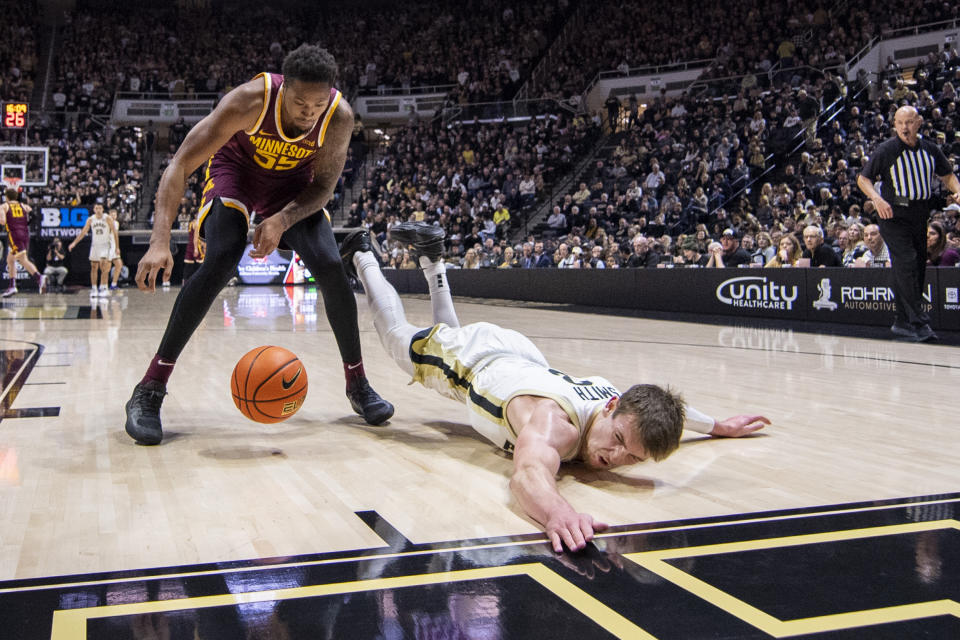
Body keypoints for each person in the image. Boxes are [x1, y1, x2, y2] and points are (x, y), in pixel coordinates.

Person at [343, 222, 769, 552]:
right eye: (618, 440)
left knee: (444, 338)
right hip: (477, 360)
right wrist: (557, 513)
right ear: (611, 407)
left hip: (521, 356)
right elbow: (527, 474)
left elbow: (671, 407)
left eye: (631, 457)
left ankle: (434, 259)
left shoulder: (621, 404)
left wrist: (718, 427)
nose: (613, 457)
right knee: (396, 335)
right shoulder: (555, 424)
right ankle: (362, 252)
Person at [124, 44, 393, 446]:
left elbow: (323, 187)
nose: (308, 112)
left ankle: (358, 383)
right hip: (237, 175)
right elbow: (179, 163)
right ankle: (150, 388)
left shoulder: (339, 117)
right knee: (220, 259)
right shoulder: (250, 100)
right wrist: (159, 240)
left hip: (292, 189)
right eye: (300, 102)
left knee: (330, 266)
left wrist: (283, 219)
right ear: (283, 90)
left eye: (316, 104)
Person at [858, 106, 960, 342]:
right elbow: (863, 179)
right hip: (892, 213)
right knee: (907, 261)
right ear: (894, 124)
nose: (904, 127)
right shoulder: (887, 149)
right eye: (900, 122)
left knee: (915, 267)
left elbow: (947, 176)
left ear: (919, 123)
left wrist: (957, 191)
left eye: (909, 122)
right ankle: (919, 322)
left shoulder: (931, 149)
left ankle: (902, 321)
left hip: (919, 213)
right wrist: (876, 197)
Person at [0, 188, 47, 297]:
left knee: (22, 259)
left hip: (14, 234)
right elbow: (35, 215)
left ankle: (39, 277)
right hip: (25, 234)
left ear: (6, 197)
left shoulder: (4, 206)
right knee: (10, 259)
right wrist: (26, 222)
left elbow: (2, 222)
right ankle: (12, 286)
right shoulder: (23, 205)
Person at [68, 203, 118, 298]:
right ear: (94, 209)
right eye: (96, 208)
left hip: (105, 245)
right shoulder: (91, 219)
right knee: (94, 267)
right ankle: (94, 288)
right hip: (95, 245)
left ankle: (104, 287)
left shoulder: (107, 218)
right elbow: (83, 232)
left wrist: (117, 247)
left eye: (100, 208)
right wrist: (74, 243)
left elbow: (115, 232)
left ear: (103, 209)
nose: (98, 210)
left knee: (104, 266)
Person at [107, 209, 124, 289]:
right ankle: (103, 285)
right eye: (112, 215)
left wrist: (117, 247)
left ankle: (113, 284)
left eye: (115, 215)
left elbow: (116, 236)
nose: (113, 216)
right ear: (109, 215)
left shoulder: (116, 223)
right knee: (106, 267)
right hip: (108, 246)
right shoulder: (106, 223)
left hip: (114, 246)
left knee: (119, 265)